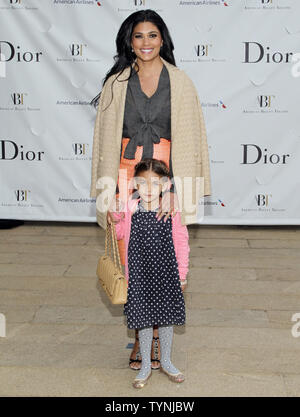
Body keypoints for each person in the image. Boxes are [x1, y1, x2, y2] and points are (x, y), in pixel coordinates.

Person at [90, 9, 212, 371]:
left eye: (153, 35)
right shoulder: (115, 83)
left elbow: (190, 141)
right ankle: (142, 337)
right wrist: (110, 189)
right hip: (126, 179)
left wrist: (175, 189)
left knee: (167, 261)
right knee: (133, 262)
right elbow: (105, 143)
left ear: (163, 40)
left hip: (165, 181)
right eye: (139, 36)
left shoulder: (180, 81)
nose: (146, 43)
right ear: (130, 40)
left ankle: (159, 338)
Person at [109, 158, 190, 389]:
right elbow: (119, 234)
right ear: (135, 184)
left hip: (166, 274)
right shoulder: (130, 207)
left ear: (165, 186)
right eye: (143, 184)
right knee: (143, 320)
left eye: (155, 185)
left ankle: (166, 361)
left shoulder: (171, 209)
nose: (148, 190)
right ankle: (145, 365)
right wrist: (115, 218)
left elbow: (182, 243)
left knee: (166, 320)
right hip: (139, 274)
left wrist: (182, 275)